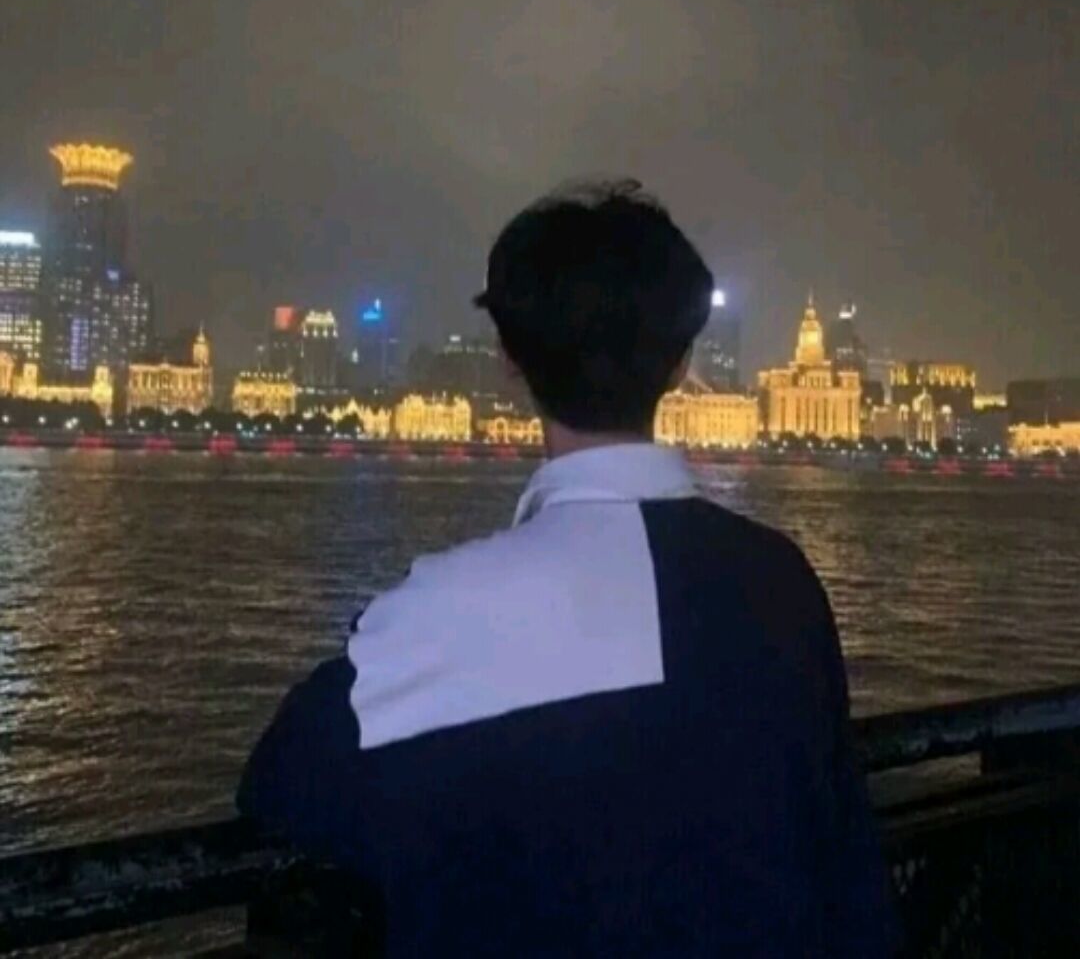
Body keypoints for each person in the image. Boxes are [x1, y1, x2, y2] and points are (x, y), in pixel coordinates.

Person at [238, 179, 899, 957]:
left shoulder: (441, 613)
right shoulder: (780, 582)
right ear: (682, 364)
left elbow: (281, 783)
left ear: (509, 361)